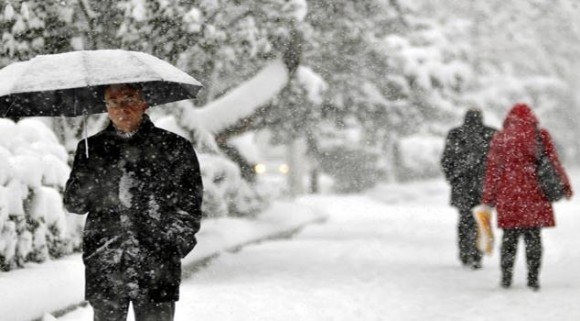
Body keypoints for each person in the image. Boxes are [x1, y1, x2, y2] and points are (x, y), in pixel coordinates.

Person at [64, 83, 203, 320]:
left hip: (157, 264)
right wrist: (89, 176)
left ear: (144, 102)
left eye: (129, 99)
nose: (122, 108)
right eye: (113, 101)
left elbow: (189, 205)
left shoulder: (174, 147)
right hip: (105, 260)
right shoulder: (90, 149)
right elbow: (74, 204)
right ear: (105, 107)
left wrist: (172, 244)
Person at [481, 103, 572, 291]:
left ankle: (506, 278)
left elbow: (493, 170)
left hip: (509, 195)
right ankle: (533, 279)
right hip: (534, 194)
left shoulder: (501, 138)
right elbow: (554, 162)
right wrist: (565, 186)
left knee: (509, 238)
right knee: (533, 237)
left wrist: (489, 198)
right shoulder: (540, 135)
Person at [441, 108, 496, 269]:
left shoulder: (455, 134)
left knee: (464, 219)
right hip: (484, 186)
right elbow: (500, 162)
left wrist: (452, 177)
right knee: (482, 219)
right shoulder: (491, 134)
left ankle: (465, 252)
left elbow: (446, 159)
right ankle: (477, 254)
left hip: (462, 185)